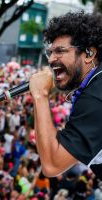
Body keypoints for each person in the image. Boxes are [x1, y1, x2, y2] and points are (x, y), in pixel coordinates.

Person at [29, 11, 102, 179]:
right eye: (50, 52)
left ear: (89, 54)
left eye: (60, 51)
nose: (51, 59)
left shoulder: (96, 97)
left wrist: (40, 95)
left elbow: (52, 164)